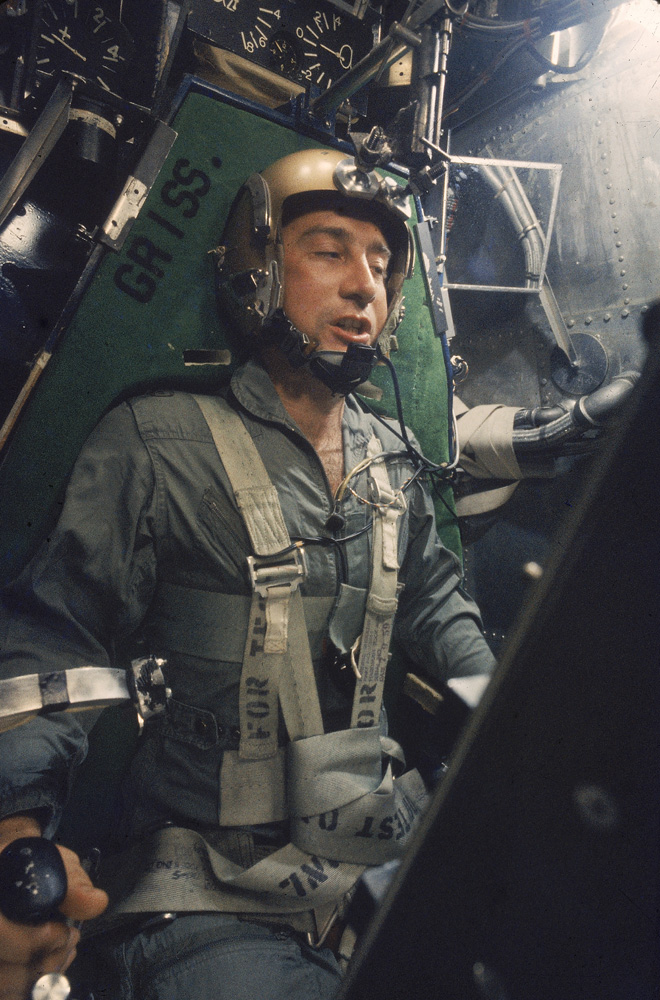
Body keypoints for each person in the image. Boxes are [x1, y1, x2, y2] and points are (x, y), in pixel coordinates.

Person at [0, 148, 495, 999]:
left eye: (380, 265)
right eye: (329, 251)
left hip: (376, 858)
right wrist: (15, 829)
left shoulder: (395, 466)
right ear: (260, 267)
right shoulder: (156, 441)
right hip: (200, 893)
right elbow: (53, 645)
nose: (363, 286)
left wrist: (522, 714)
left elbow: (441, 614)